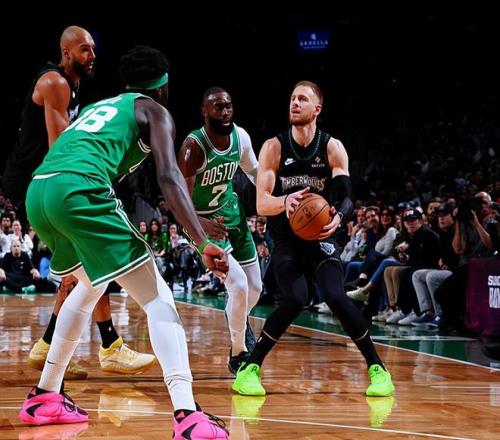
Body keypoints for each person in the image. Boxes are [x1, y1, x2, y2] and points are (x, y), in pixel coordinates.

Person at [18, 45, 229, 439]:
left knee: (88, 285)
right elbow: (168, 177)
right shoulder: (155, 111)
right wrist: (201, 242)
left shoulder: (103, 106)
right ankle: (188, 415)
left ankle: (45, 395)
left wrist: (192, 220)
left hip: (40, 192)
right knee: (157, 296)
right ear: (163, 86)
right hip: (78, 189)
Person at [3, 25, 154, 379]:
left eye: (94, 49)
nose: (92, 55)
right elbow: (61, 150)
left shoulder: (72, 87)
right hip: (39, 180)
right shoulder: (55, 83)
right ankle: (107, 346)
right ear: (66, 52)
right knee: (91, 255)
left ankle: (53, 347)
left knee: (82, 264)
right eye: (85, 49)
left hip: (46, 181)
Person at [232, 80, 395, 398]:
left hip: (320, 236)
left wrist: (339, 217)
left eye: (302, 99)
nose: (294, 103)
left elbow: (347, 198)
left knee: (336, 295)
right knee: (296, 298)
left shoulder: (332, 147)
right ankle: (250, 369)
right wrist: (286, 201)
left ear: (317, 108)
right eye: (292, 98)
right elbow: (262, 204)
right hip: (285, 238)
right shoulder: (274, 147)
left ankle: (378, 370)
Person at [177, 87, 262, 374]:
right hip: (201, 223)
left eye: (228, 106)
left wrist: (277, 195)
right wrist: (201, 225)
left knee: (255, 288)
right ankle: (239, 351)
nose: (225, 112)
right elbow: (180, 199)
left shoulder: (241, 137)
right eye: (218, 107)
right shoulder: (194, 147)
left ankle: (238, 322)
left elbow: (255, 172)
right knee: (238, 285)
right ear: (205, 112)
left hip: (232, 214)